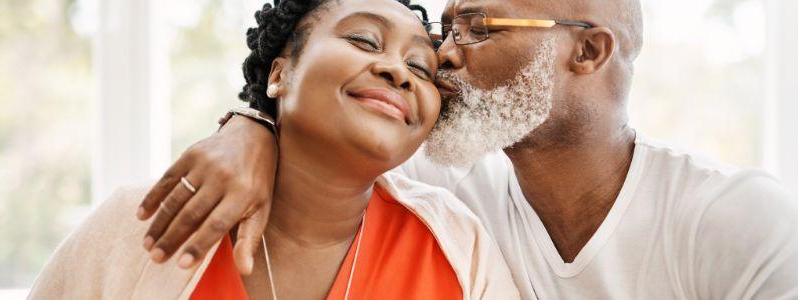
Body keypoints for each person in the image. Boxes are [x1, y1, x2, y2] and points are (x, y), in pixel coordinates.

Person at [137, 0, 798, 298]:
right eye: (446, 29)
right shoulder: (441, 197)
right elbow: (330, 145)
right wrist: (251, 126)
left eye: (478, 25)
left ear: (588, 49)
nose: (444, 56)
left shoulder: (738, 223)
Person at [29, 0, 520, 299]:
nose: (397, 71)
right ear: (279, 74)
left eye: (421, 67)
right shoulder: (142, 225)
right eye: (364, 40)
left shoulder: (457, 244)